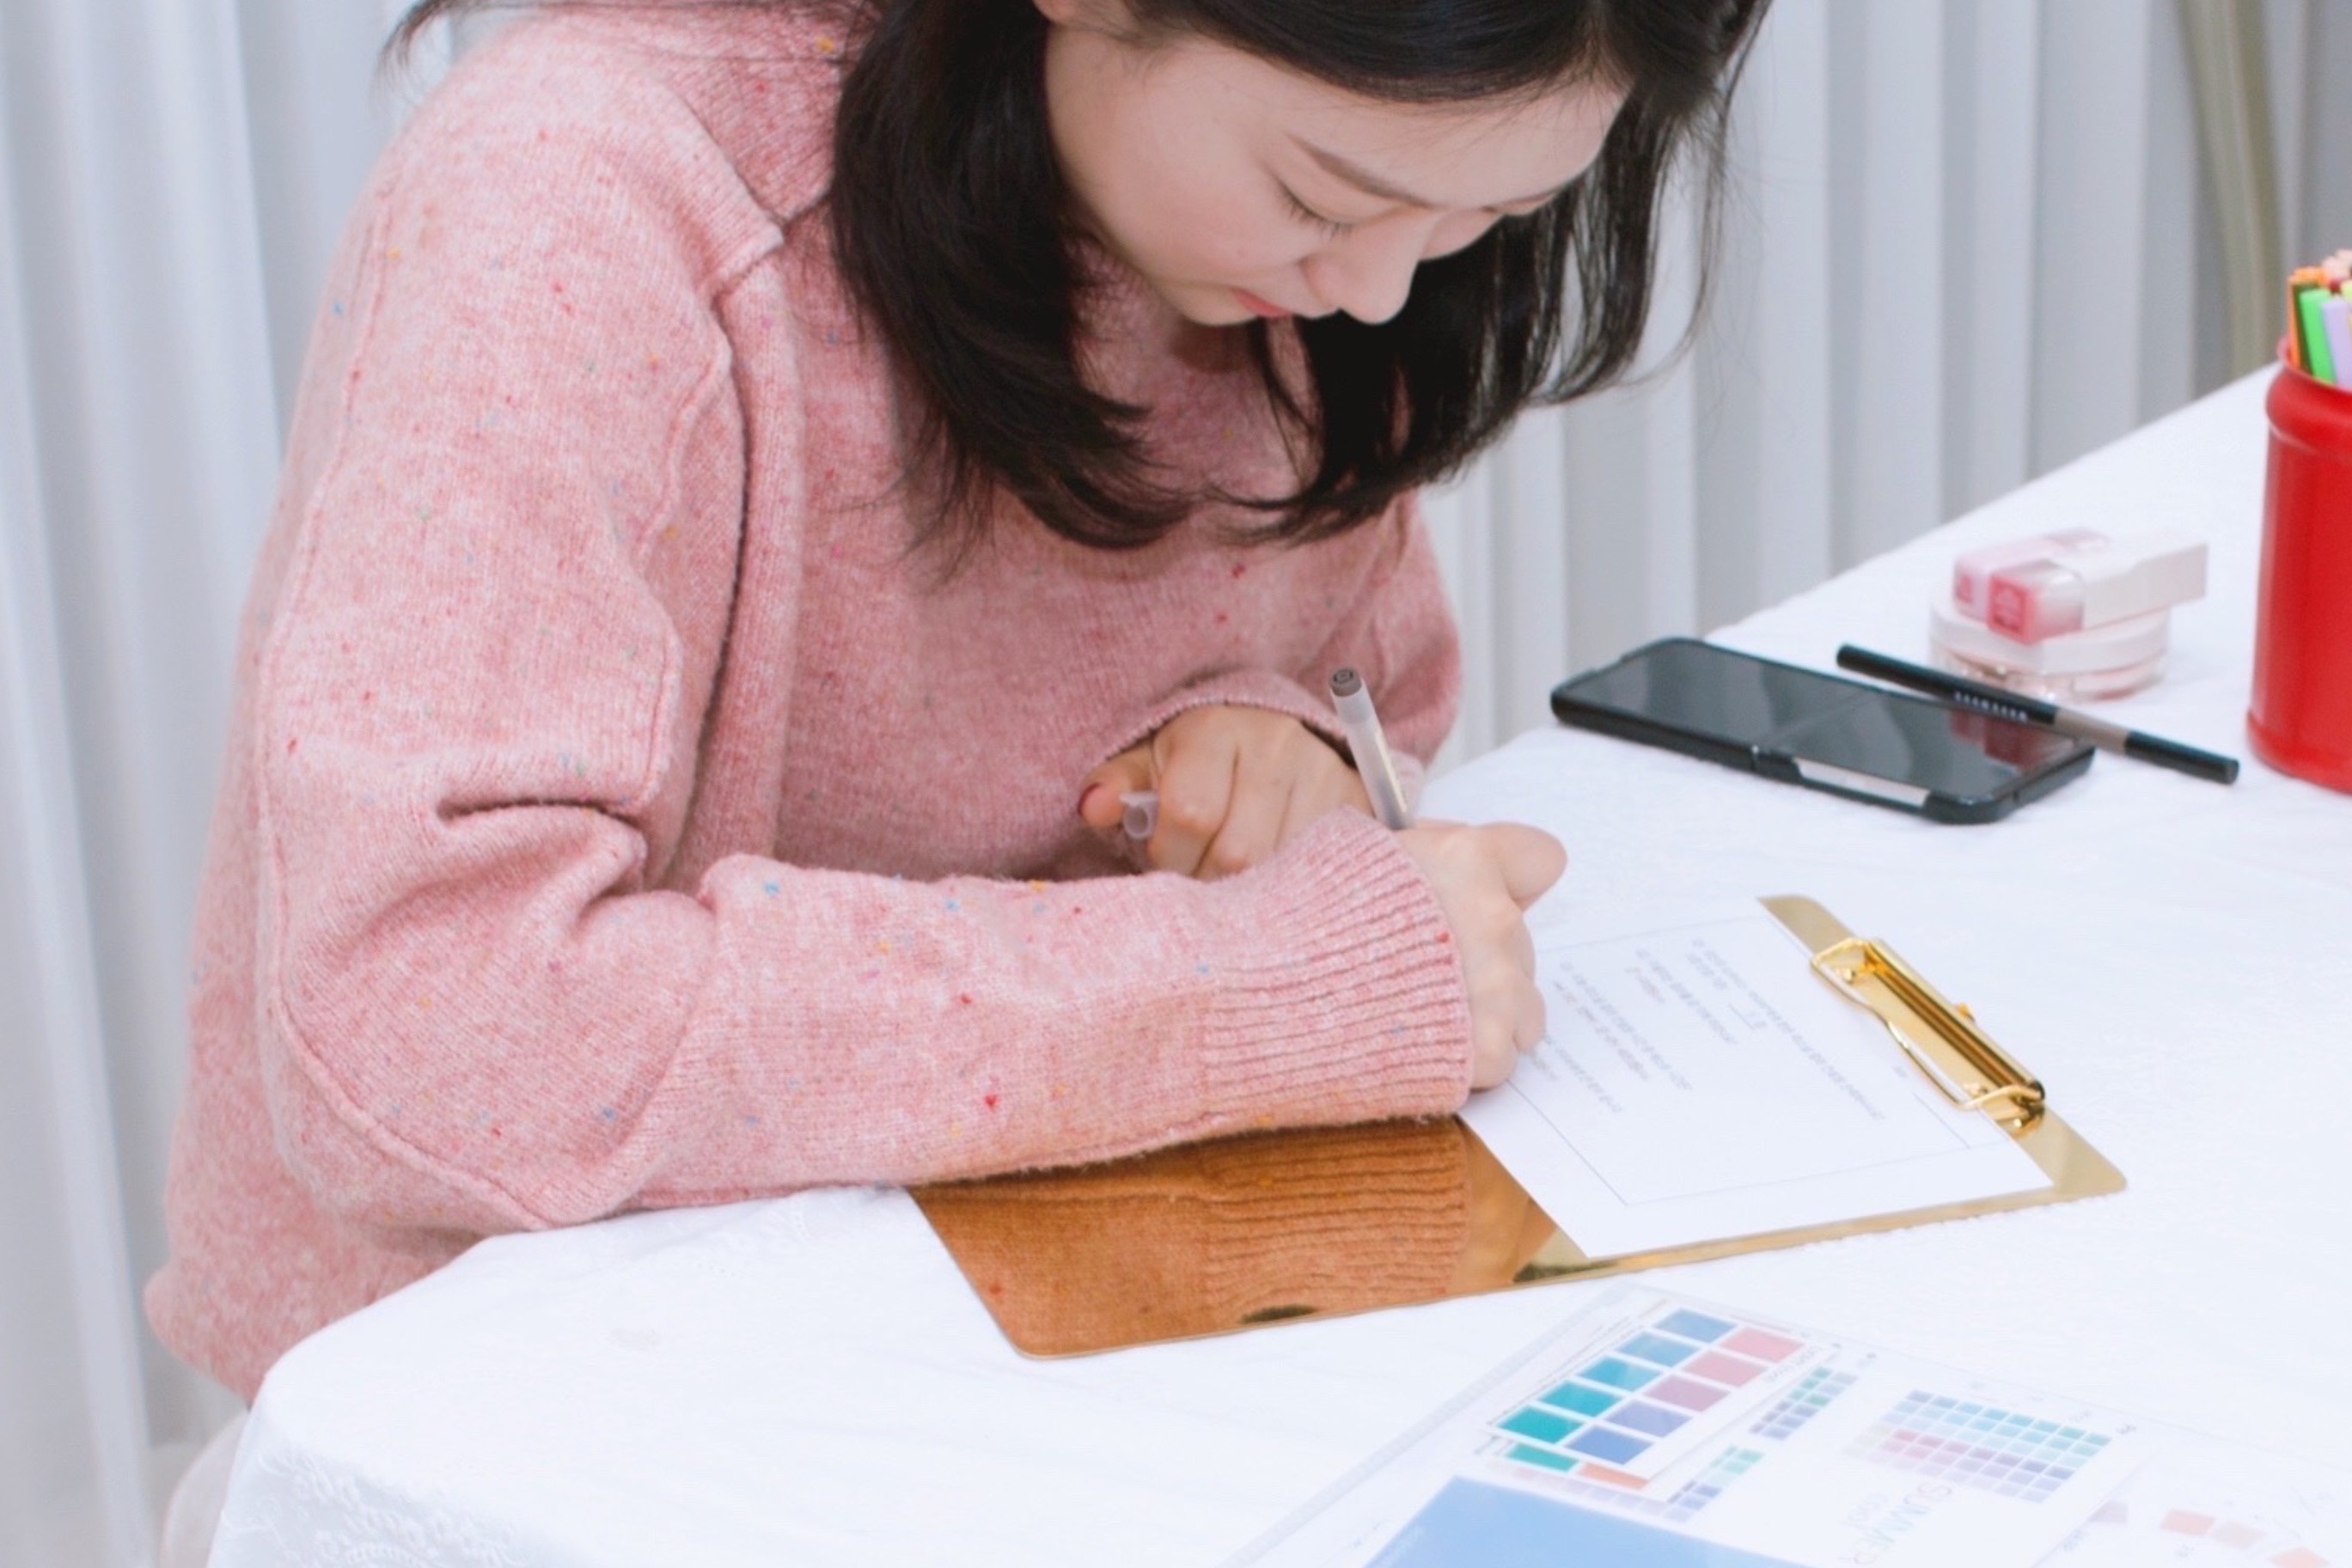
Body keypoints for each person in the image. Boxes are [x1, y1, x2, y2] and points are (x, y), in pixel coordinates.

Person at [147, 0, 1767, 1416]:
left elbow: (1383, 687)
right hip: (519, 1399)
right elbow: (422, 1031)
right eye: (1320, 195)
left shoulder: (1305, 270)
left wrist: (1283, 748)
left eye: (1490, 216)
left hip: (1003, 1319)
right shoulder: (584, 201)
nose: (1375, 289)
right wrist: (1243, 986)